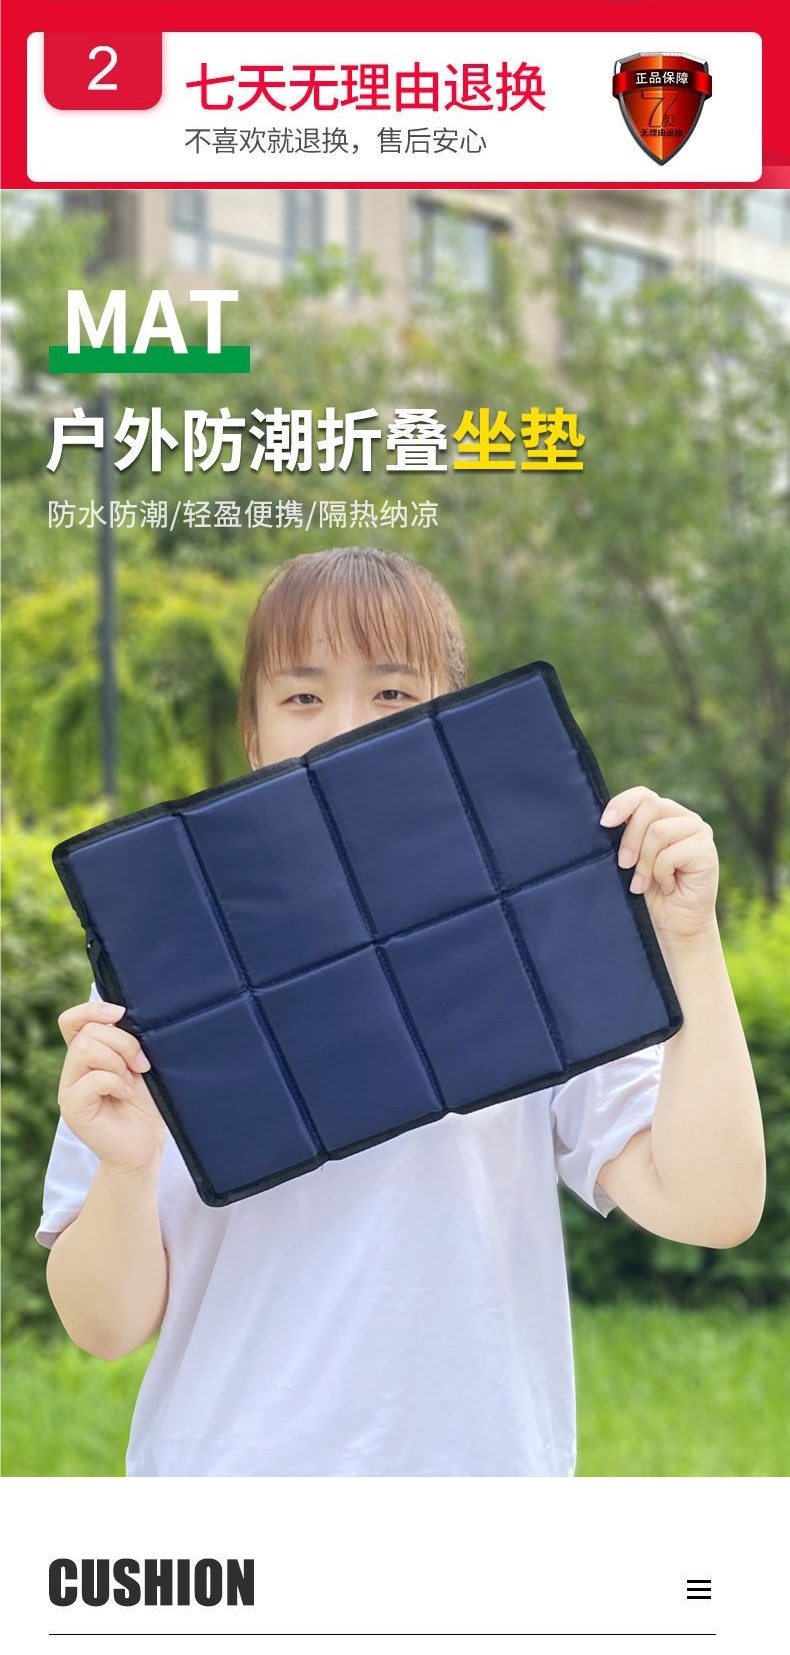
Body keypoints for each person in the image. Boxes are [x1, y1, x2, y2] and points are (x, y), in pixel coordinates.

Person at [40, 548, 765, 1477]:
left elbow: (712, 1205)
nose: (348, 728)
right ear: (254, 733)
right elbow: (103, 1327)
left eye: (391, 692)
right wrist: (126, 1167)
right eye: (304, 696)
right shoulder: (157, 973)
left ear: (450, 719)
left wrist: (690, 943)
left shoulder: (535, 937)